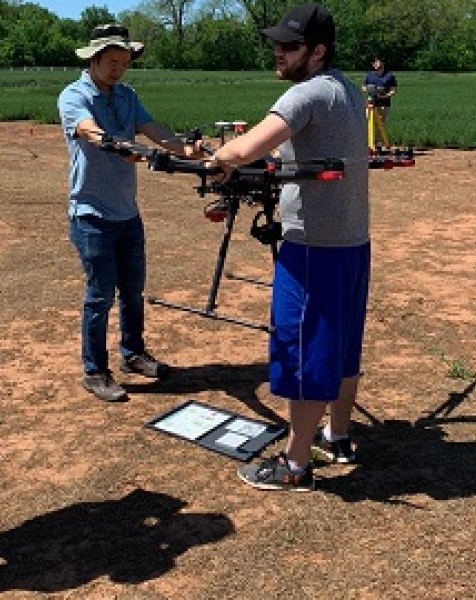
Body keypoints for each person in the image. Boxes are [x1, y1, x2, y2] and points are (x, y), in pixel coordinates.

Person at [207, 3, 369, 491]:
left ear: (317, 51)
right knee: (340, 347)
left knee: (304, 353)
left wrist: (218, 158)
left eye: (290, 46)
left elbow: (241, 150)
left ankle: (295, 466)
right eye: (277, 44)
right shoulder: (345, 88)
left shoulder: (306, 94)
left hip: (313, 248)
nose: (279, 53)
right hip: (352, 243)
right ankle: (336, 436)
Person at [59, 23, 202, 403]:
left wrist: (185, 150)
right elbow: (87, 130)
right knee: (100, 294)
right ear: (94, 59)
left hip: (127, 212)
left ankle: (133, 354)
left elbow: (152, 128)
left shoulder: (127, 95)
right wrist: (116, 144)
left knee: (133, 291)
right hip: (91, 214)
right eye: (111, 61)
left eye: (123, 62)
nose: (118, 69)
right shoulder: (74, 95)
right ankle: (95, 370)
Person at [363, 57, 397, 124]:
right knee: (368, 123)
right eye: (373, 63)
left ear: (382, 63)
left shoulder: (390, 76)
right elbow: (363, 87)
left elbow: (393, 91)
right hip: (371, 103)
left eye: (376, 62)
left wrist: (384, 96)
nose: (374, 64)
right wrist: (368, 89)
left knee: (381, 125)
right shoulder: (369, 74)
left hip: (384, 104)